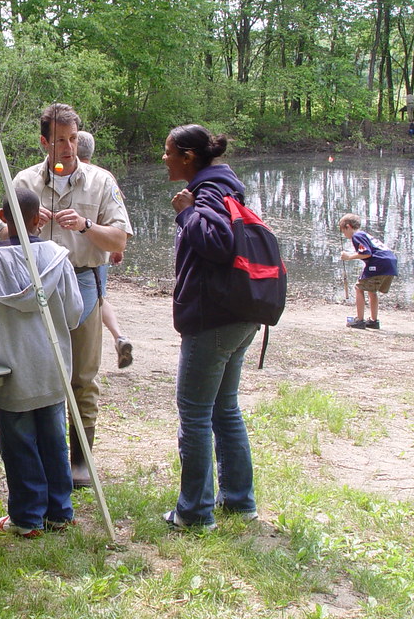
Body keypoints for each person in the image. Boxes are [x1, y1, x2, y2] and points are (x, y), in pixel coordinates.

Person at [2, 103, 133, 487]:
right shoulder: (24, 182)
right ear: (45, 142)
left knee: (82, 376)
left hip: (83, 281)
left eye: (73, 139)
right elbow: (1, 237)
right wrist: (25, 225)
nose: (68, 148)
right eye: (60, 140)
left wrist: (87, 225)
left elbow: (120, 238)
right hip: (34, 282)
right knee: (37, 369)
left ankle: (80, 463)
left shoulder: (101, 181)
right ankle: (45, 457)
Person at [0, 188, 82, 538]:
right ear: (38, 220)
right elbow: (75, 313)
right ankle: (59, 512)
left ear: (2, 217)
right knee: (52, 438)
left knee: (18, 444)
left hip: (12, 367)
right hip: (51, 365)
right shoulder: (57, 258)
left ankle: (28, 517)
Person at [162, 123, 259, 530]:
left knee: (196, 413)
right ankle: (238, 501)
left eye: (168, 151)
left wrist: (186, 212)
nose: (163, 158)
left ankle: (195, 512)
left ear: (187, 156)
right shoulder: (226, 186)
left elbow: (218, 245)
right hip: (240, 313)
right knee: (224, 408)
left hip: (214, 319)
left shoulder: (206, 192)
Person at [76, 130, 133, 369]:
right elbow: (119, 217)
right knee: (99, 298)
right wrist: (119, 249)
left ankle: (117, 338)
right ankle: (118, 337)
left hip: (84, 256)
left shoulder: (96, 178)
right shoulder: (106, 175)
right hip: (100, 252)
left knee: (97, 300)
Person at [339, 213, 397, 330]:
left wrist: (348, 256)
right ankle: (373, 321)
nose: (344, 235)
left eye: (343, 231)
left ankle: (359, 320)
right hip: (390, 262)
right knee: (372, 290)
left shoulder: (357, 236)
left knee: (359, 288)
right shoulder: (364, 234)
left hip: (379, 262)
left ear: (348, 226)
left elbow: (366, 253)